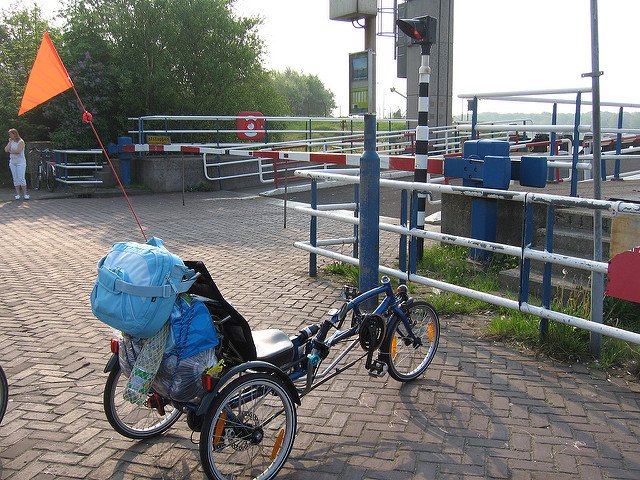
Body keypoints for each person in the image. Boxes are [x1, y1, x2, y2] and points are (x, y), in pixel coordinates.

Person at [4, 128, 29, 200]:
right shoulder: (11, 141)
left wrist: (11, 151)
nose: (9, 135)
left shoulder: (21, 141)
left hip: (20, 162)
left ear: (14, 134)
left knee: (21, 178)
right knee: (15, 178)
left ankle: (25, 194)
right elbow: (6, 149)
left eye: (10, 134)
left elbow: (18, 151)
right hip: (13, 162)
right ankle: (18, 194)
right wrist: (9, 142)